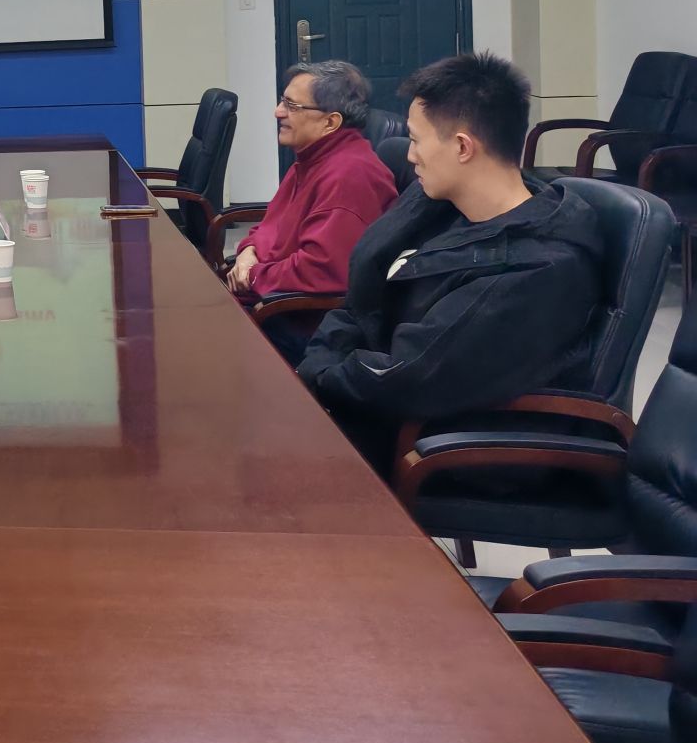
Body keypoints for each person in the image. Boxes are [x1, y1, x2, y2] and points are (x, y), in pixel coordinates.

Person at [296, 52, 603, 472]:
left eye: (416, 140)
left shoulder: (533, 271)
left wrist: (315, 374)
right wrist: (319, 366)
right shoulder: (445, 204)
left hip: (443, 452)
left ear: (462, 147)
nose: (410, 156)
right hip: (375, 403)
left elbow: (406, 376)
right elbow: (363, 297)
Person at [226, 62, 399, 353]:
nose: (278, 112)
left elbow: (321, 271)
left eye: (292, 106)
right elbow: (270, 227)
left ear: (330, 122)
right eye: (282, 101)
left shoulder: (350, 175)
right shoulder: (311, 159)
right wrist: (248, 252)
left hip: (301, 324)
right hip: (271, 300)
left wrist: (254, 275)